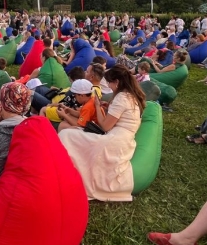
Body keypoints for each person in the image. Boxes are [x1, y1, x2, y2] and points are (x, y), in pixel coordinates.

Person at [59, 65, 147, 201]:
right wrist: (108, 108)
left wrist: (97, 106)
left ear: (116, 82)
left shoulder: (122, 98)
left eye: (109, 83)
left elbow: (105, 126)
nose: (109, 86)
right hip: (123, 139)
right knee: (71, 134)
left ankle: (65, 174)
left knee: (67, 135)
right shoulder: (130, 96)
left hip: (115, 141)